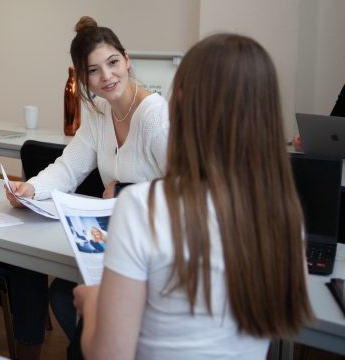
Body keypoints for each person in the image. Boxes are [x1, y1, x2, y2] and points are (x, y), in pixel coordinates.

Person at [72, 33, 312, 359]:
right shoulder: (284, 215)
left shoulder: (141, 207)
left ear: (178, 104)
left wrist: (93, 303)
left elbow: (108, 355)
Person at [4, 16, 170, 348]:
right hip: (117, 240)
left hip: (160, 248)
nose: (107, 76)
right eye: (94, 70)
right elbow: (69, 168)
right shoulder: (99, 112)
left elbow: (189, 190)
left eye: (113, 62)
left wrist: (123, 192)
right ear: (83, 78)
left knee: (67, 297)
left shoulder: (155, 117)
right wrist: (31, 188)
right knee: (65, 295)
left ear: (127, 59)